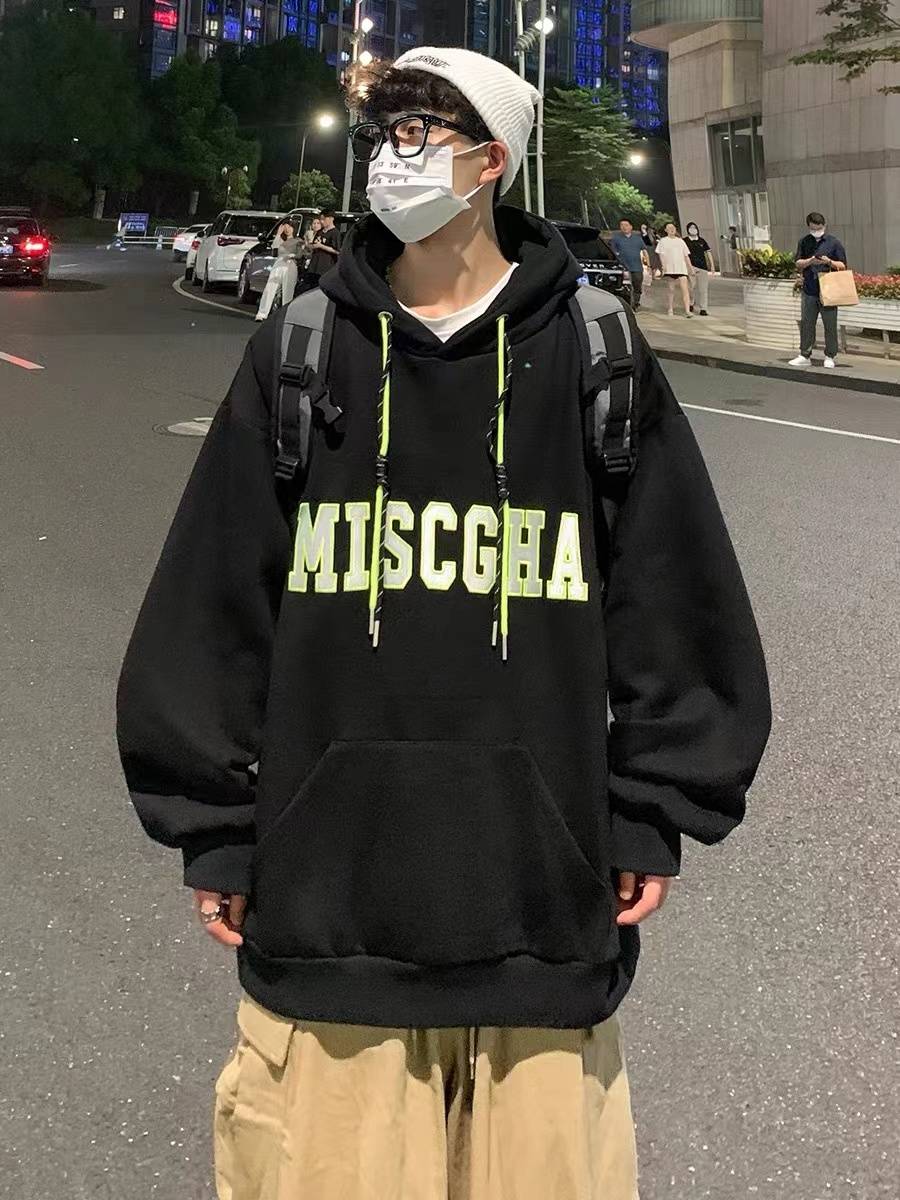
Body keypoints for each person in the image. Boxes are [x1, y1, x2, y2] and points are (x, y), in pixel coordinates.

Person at [116, 46, 771, 1200]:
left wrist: (653, 808)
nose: (395, 154)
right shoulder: (303, 349)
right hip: (329, 925)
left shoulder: (596, 356)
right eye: (387, 131)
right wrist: (214, 825)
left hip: (543, 925)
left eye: (423, 131)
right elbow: (213, 603)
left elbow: (676, 600)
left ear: (493, 161)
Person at [789, 211, 848, 369]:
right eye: (813, 228)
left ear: (824, 226)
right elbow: (798, 263)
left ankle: (830, 356)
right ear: (809, 227)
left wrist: (829, 262)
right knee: (807, 323)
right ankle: (805, 354)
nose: (817, 231)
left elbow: (843, 265)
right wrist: (810, 261)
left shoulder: (833, 243)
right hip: (809, 289)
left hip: (828, 290)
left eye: (819, 228)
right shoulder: (804, 242)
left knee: (830, 325)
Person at [255, 218, 301, 322]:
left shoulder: (297, 240)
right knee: (270, 288)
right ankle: (262, 313)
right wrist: (278, 234)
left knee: (288, 290)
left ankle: (286, 314)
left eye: (290, 227)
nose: (287, 229)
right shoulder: (280, 239)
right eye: (286, 227)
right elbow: (274, 248)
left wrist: (291, 255)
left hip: (290, 264)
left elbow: (300, 254)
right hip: (279, 263)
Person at [655, 222, 694, 317]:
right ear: (666, 230)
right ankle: (670, 308)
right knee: (671, 289)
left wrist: (690, 268)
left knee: (685, 289)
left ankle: (687, 310)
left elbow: (686, 256)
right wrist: (663, 266)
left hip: (681, 268)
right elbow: (661, 255)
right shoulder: (663, 241)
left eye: (673, 227)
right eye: (669, 228)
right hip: (670, 268)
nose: (672, 229)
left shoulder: (680, 241)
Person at [610, 218, 649, 311]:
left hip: (637, 267)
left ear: (631, 227)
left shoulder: (637, 239)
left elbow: (644, 251)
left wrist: (648, 265)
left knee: (637, 286)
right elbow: (612, 252)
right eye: (622, 225)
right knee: (625, 287)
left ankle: (635, 304)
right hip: (623, 268)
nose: (624, 227)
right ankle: (626, 305)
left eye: (626, 225)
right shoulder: (616, 238)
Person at [299, 207, 340, 293]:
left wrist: (321, 246)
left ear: (331, 219)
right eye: (321, 219)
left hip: (325, 268)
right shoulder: (320, 232)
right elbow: (314, 245)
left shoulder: (335, 233)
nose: (322, 221)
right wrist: (308, 245)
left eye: (323, 219)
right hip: (313, 267)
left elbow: (337, 251)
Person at [684, 222, 715, 316]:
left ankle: (703, 308)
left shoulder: (702, 241)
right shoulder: (685, 241)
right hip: (690, 267)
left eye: (694, 227)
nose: (693, 229)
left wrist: (712, 265)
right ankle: (691, 302)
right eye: (691, 227)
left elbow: (708, 252)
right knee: (690, 287)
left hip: (702, 267)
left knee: (703, 289)